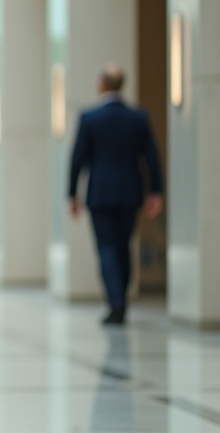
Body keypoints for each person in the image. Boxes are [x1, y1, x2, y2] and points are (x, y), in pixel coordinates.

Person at [68, 64, 163, 325]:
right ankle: (121, 299)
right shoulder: (137, 117)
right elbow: (151, 157)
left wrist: (72, 193)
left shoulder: (90, 117)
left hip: (99, 193)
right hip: (130, 192)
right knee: (123, 246)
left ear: (102, 85)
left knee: (106, 247)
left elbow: (78, 159)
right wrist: (156, 191)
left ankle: (116, 302)